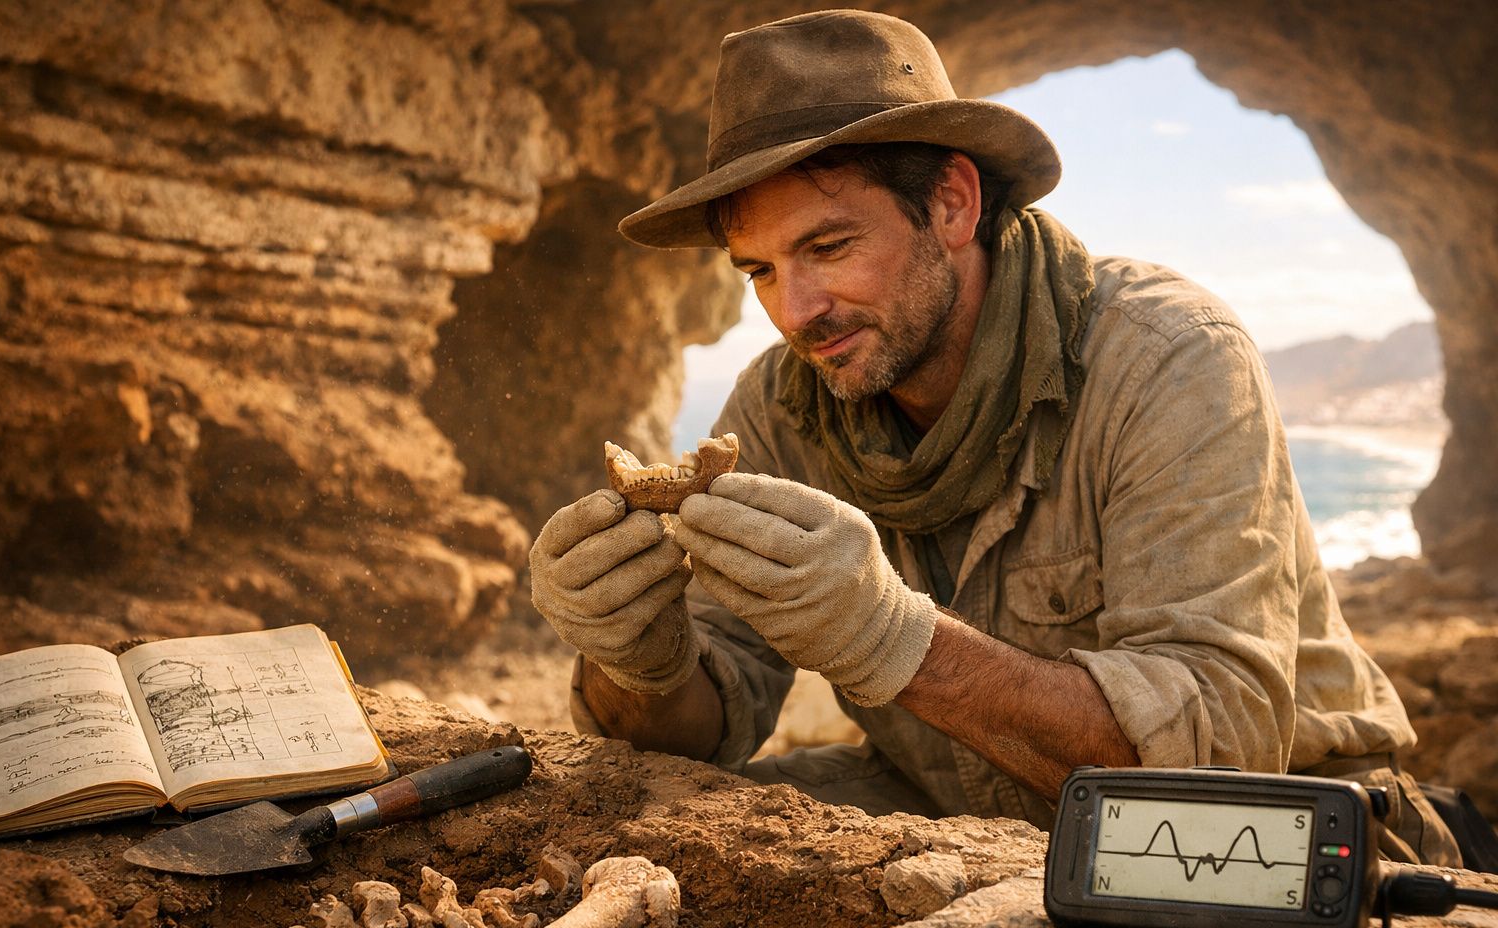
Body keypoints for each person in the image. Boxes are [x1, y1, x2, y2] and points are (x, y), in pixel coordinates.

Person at [528, 9, 1462, 865]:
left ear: (952, 205)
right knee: (656, 838)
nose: (795, 312)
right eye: (760, 272)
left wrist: (891, 638)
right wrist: (640, 661)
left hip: (1284, 835)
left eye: (827, 247)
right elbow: (705, 722)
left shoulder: (1168, 359)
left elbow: (1220, 754)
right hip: (961, 812)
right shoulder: (781, 406)